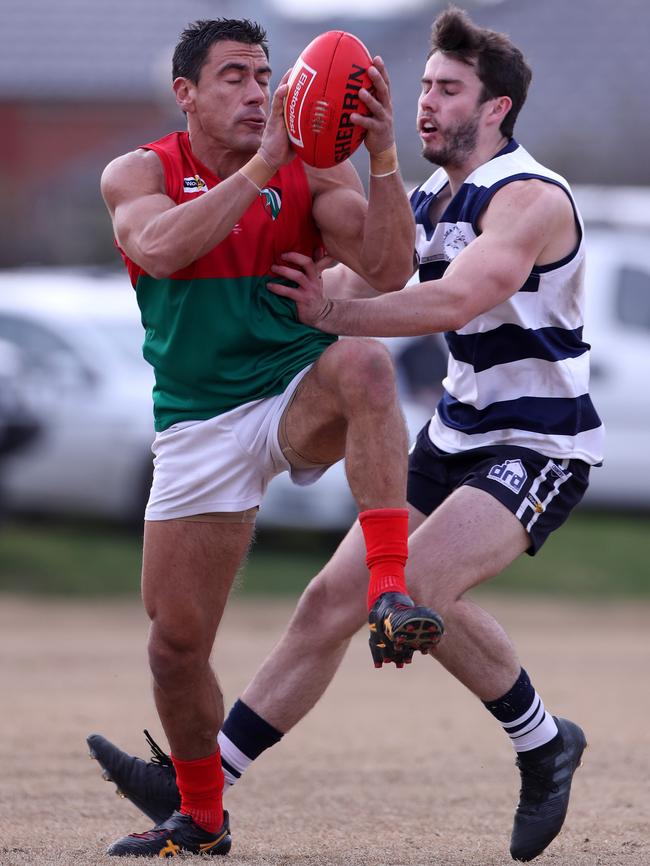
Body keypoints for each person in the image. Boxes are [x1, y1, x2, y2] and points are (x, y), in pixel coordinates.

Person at [89, 8, 604, 862]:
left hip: (537, 442)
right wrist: (301, 278)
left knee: (412, 591)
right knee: (326, 604)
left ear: (496, 109)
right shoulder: (438, 195)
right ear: (186, 94)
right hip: (455, 431)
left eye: (447, 91)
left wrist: (331, 306)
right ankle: (203, 786)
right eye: (426, 88)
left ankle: (545, 742)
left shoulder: (529, 197)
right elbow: (349, 262)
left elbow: (442, 299)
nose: (425, 104)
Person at [97, 16, 444, 859]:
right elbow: (165, 248)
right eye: (234, 77)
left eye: (264, 75)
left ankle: (389, 590)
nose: (258, 92)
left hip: (294, 390)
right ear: (185, 94)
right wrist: (262, 168)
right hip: (199, 424)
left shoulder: (314, 167)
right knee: (176, 649)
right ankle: (203, 820)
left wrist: (384, 156)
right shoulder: (140, 172)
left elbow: (393, 270)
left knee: (363, 363)